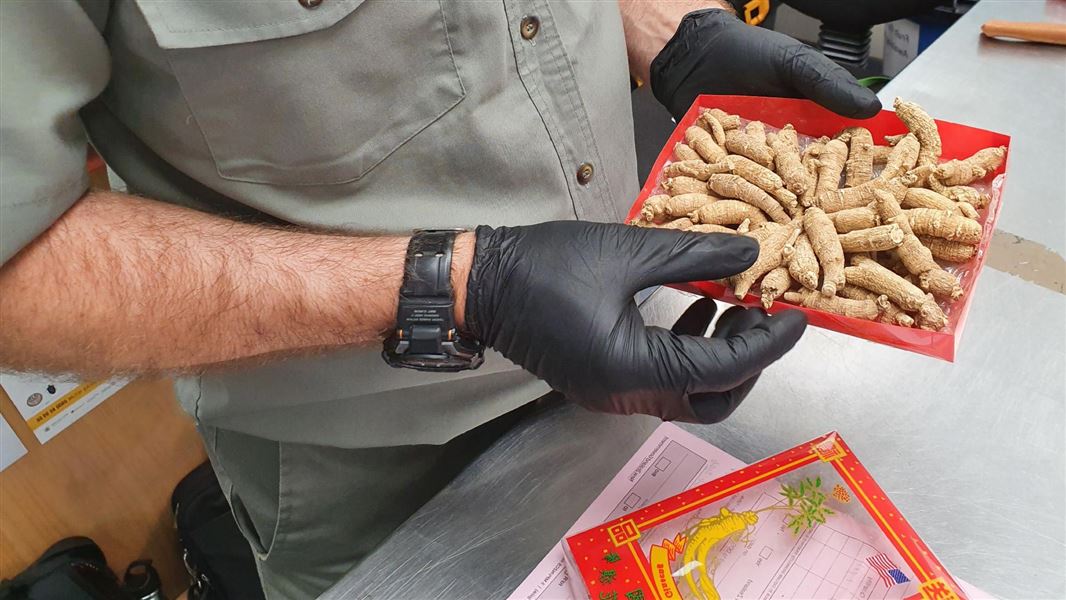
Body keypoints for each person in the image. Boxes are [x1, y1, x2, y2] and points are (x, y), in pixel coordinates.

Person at [0, 2, 878, 597]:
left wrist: (663, 26)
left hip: (636, 325)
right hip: (375, 469)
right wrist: (461, 290)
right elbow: (18, 265)